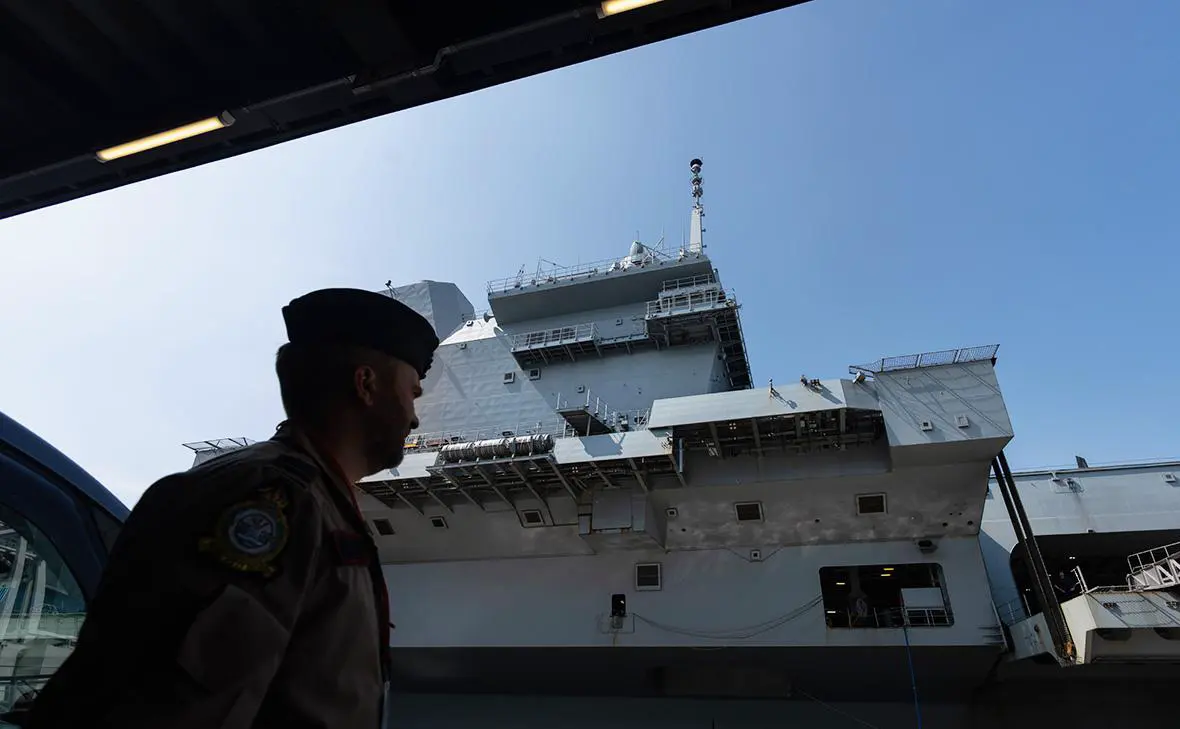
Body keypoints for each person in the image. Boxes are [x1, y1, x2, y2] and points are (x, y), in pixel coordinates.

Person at [25, 288, 439, 729]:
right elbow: (182, 706)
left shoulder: (314, 498)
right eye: (412, 393)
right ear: (366, 385)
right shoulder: (269, 497)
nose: (414, 417)